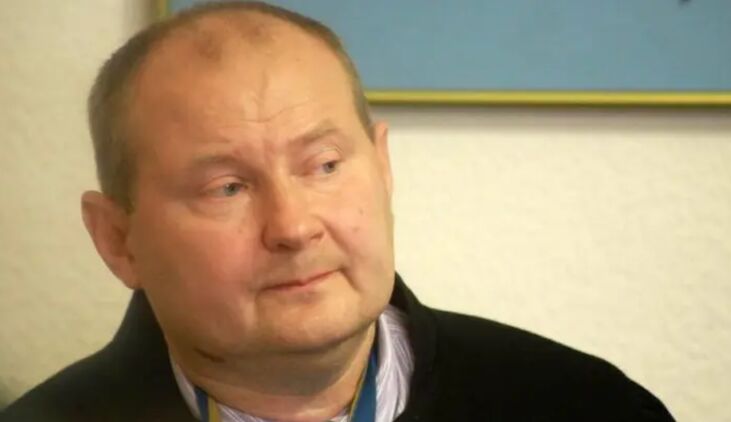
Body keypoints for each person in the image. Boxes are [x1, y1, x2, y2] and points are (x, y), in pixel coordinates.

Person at [1, 2, 675, 421]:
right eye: (227, 188)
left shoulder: (585, 405)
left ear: (382, 169)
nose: (294, 227)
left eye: (323, 166)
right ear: (119, 240)